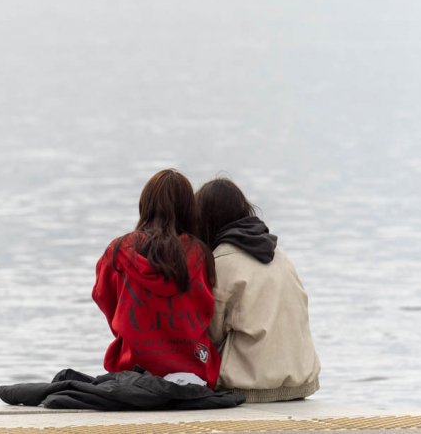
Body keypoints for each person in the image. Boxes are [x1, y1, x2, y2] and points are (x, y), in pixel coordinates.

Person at [195, 177, 320, 402]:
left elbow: (210, 335)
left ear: (204, 220)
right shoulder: (280, 255)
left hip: (249, 387)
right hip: (302, 382)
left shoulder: (220, 263)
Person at [92, 169, 221, 388]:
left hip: (132, 370)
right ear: (189, 209)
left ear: (145, 204)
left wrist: (135, 335)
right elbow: (205, 309)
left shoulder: (118, 250)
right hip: (194, 371)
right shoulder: (199, 254)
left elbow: (105, 299)